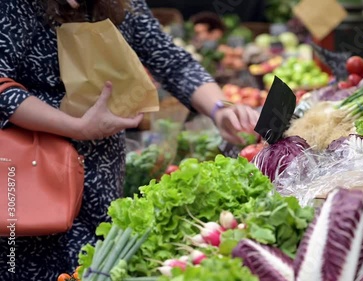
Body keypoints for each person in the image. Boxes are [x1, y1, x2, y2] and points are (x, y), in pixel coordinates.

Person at [0, 0, 258, 280]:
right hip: (35, 175)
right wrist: (74, 126)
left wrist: (220, 110)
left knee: (98, 264)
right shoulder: (18, 5)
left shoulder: (124, 5)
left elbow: (173, 62)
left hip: (102, 177)